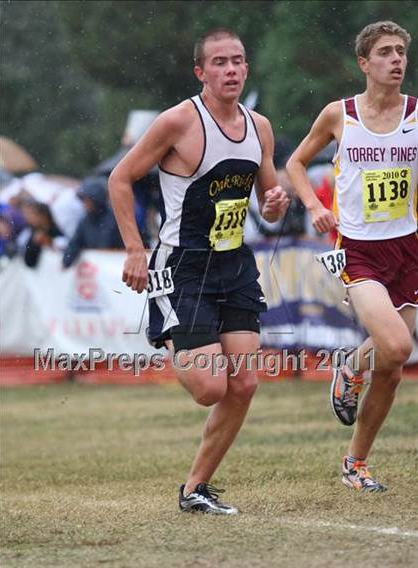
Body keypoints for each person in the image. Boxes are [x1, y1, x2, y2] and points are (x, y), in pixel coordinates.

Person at [109, 28, 289, 514]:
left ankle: (195, 489)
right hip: (182, 267)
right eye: (220, 63)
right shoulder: (179, 121)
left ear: (247, 68)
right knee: (211, 387)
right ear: (201, 72)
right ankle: (170, 331)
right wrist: (133, 249)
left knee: (245, 382)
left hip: (235, 265)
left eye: (238, 62)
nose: (231, 70)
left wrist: (275, 203)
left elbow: (270, 207)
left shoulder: (260, 127)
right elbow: (120, 178)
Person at [287, 21, 417, 492]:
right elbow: (296, 163)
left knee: (391, 367)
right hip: (357, 249)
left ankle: (355, 464)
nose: (397, 59)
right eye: (385, 52)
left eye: (401, 51)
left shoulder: (417, 113)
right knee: (399, 345)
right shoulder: (339, 114)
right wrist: (314, 205)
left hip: (410, 246)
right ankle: (349, 366)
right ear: (365, 64)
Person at [63, 176, 123, 268]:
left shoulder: (115, 219)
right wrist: (66, 260)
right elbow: (75, 243)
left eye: (87, 199)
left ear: (96, 199)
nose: (84, 204)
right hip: (97, 272)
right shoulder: (85, 221)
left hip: (115, 269)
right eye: (82, 200)